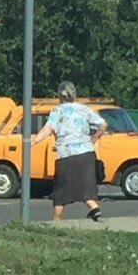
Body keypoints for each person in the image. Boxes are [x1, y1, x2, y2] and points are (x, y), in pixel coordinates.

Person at [30, 81, 108, 222]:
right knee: (86, 185)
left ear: (59, 95)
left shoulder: (58, 111)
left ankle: (56, 221)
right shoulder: (84, 109)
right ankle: (94, 208)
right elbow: (103, 124)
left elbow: (49, 128)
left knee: (61, 191)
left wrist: (34, 141)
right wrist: (93, 139)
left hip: (67, 155)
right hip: (87, 154)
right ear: (75, 94)